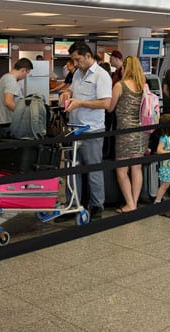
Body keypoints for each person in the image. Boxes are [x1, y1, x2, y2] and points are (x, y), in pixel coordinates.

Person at [59, 42, 112, 219]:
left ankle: (97, 206)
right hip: (74, 129)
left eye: (77, 59)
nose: (75, 63)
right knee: (72, 169)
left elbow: (106, 103)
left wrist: (81, 103)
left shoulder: (101, 76)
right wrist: (67, 94)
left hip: (92, 130)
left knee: (93, 170)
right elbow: (72, 92)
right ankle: (73, 204)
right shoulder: (77, 75)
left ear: (88, 56)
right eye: (73, 60)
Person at [107, 56, 146, 213]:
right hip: (141, 132)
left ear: (126, 68)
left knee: (122, 170)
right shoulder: (143, 86)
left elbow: (110, 108)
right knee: (136, 168)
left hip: (124, 132)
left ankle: (130, 204)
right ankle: (134, 202)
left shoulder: (120, 85)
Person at [0, 58, 33, 131]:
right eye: (27, 73)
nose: (26, 76)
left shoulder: (5, 77)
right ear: (23, 70)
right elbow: (8, 102)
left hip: (4, 122)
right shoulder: (11, 81)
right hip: (10, 124)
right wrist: (25, 114)